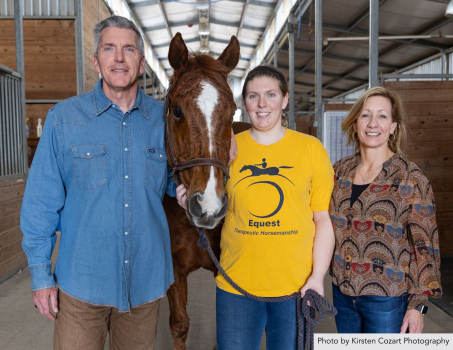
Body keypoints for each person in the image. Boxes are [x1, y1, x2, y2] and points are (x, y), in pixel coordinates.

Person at [21, 16, 176, 350]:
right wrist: (40, 275)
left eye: (128, 49)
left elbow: (182, 185)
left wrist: (220, 153)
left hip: (145, 285)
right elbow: (40, 204)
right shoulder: (64, 120)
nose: (119, 58)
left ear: (142, 62)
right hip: (81, 286)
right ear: (96, 60)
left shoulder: (164, 122)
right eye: (109, 48)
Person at [177, 65, 335, 349]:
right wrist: (189, 201)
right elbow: (213, 204)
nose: (262, 104)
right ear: (243, 104)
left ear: (285, 99)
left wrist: (317, 277)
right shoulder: (227, 150)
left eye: (271, 94)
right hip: (237, 287)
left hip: (295, 289)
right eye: (253, 96)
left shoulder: (311, 149)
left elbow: (322, 220)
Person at [329, 86, 442, 334]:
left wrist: (418, 305)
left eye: (382, 116)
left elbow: (425, 246)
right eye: (366, 114)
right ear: (356, 122)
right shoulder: (338, 172)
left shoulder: (410, 177)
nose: (373, 123)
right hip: (342, 294)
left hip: (387, 298)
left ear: (393, 126)